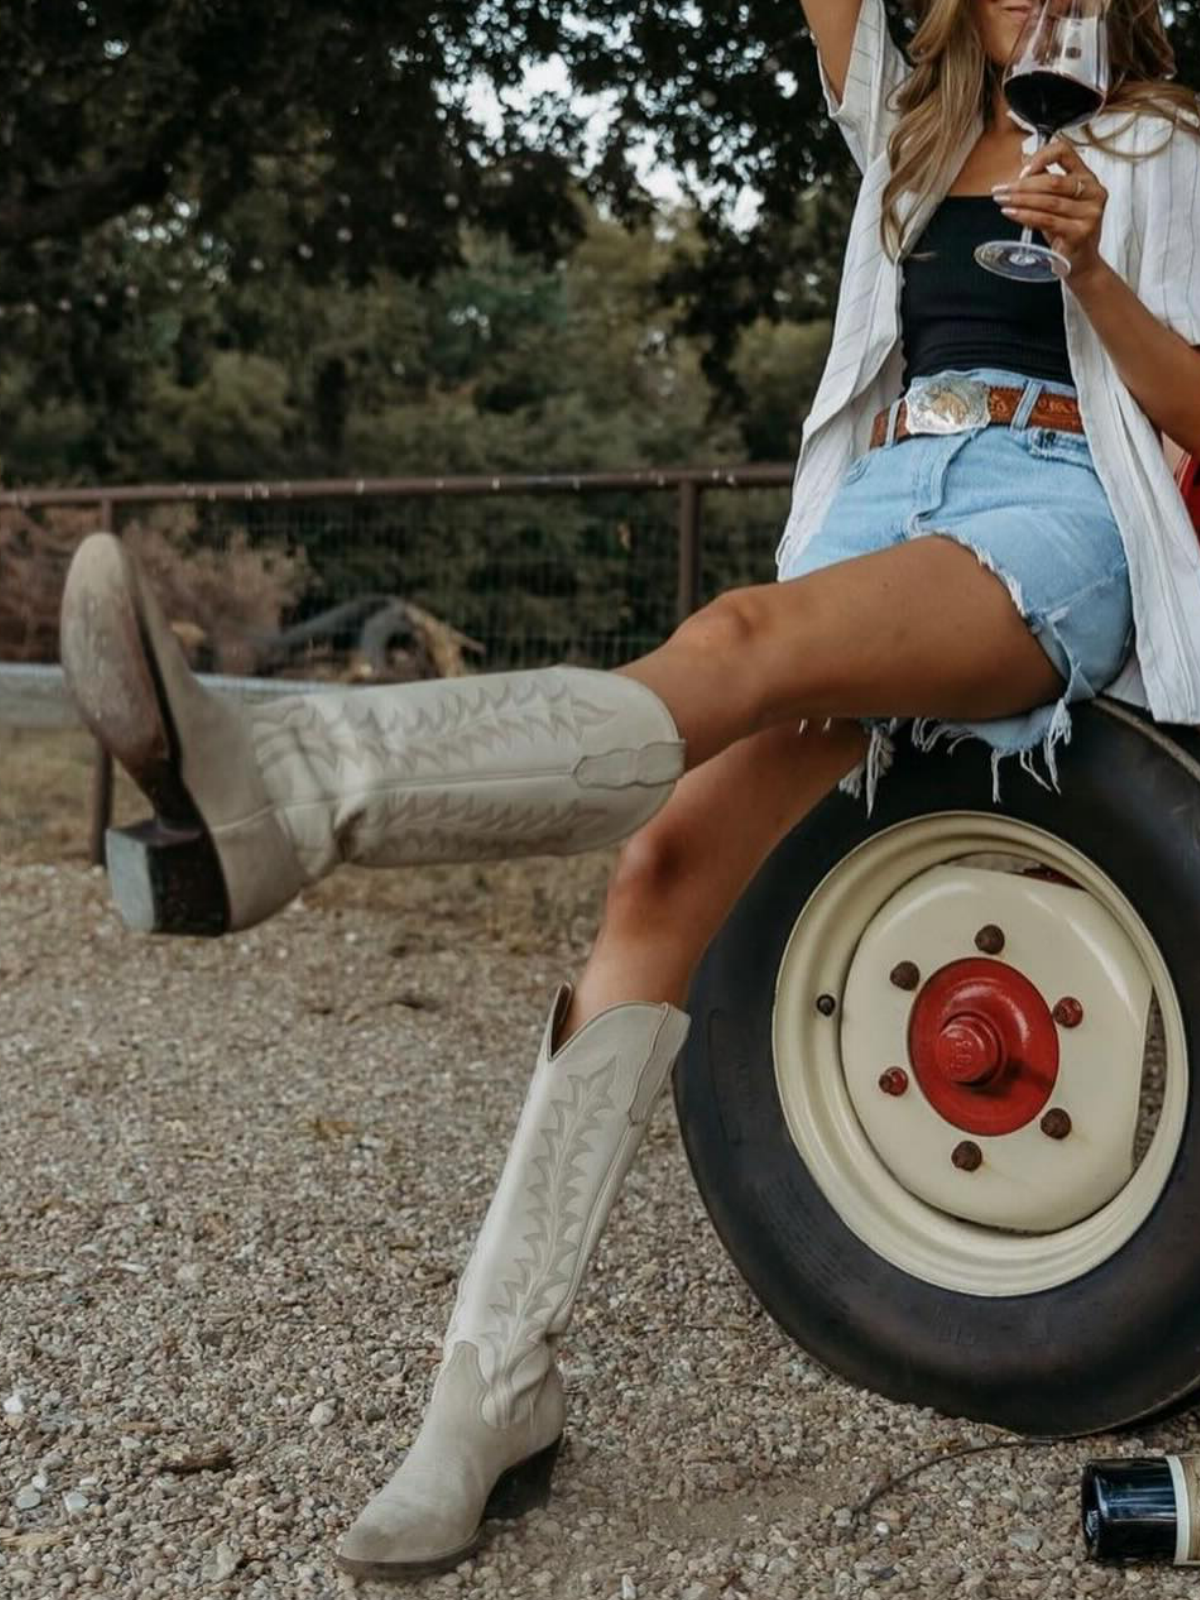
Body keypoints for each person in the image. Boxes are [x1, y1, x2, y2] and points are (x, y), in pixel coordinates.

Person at [58, 0, 1200, 1579]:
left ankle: (297, 783)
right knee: (659, 875)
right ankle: (492, 1389)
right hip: (887, 498)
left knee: (736, 635)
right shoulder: (914, 136)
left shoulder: (1164, 147)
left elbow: (1196, 410)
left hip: (1056, 503)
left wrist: (1090, 265)